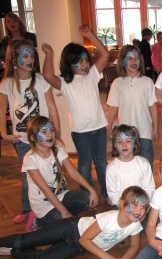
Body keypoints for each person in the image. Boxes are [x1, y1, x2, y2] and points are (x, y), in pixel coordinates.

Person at [0, 186, 149, 259]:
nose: (138, 210)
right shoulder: (109, 218)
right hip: (71, 228)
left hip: (79, 246)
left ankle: (13, 251)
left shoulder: (135, 226)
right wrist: (104, 255)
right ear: (122, 204)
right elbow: (85, 238)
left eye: (142, 207)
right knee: (26, 240)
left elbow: (135, 246)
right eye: (134, 205)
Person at [41, 25, 109, 202]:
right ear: (70, 64)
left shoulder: (93, 75)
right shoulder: (65, 83)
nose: (85, 64)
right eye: (80, 61)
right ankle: (87, 195)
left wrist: (89, 35)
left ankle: (108, 193)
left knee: (102, 164)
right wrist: (49, 55)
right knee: (85, 165)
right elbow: (48, 75)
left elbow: (105, 55)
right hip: (81, 132)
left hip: (100, 128)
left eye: (86, 60)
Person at [0, 40, 60, 228]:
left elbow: (52, 108)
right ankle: (28, 209)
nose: (30, 59)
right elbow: (2, 109)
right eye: (24, 55)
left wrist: (56, 134)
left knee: (45, 172)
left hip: (43, 138)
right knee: (29, 175)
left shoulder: (41, 80)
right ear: (14, 60)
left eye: (31, 55)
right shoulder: (7, 83)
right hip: (23, 139)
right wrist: (4, 133)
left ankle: (44, 207)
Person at [22, 116, 99, 231]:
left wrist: (92, 191)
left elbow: (73, 173)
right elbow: (45, 190)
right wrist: (64, 212)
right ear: (33, 137)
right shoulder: (30, 159)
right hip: (44, 206)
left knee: (88, 199)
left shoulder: (58, 149)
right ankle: (39, 221)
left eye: (51, 130)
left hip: (61, 195)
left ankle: (62, 217)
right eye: (44, 132)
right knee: (69, 226)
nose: (50, 135)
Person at [106, 45, 158, 166]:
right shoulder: (117, 83)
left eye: (136, 58)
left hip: (144, 131)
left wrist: (155, 128)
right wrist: (109, 127)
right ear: (122, 62)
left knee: (146, 162)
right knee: (128, 163)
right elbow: (113, 106)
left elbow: (152, 107)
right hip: (125, 133)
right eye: (129, 58)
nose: (134, 61)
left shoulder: (147, 82)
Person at [106, 124, 155, 208]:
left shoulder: (143, 163)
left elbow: (150, 187)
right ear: (115, 144)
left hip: (142, 204)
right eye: (120, 142)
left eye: (128, 141)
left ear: (135, 143)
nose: (124, 145)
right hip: (122, 206)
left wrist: (140, 204)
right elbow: (113, 194)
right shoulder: (111, 168)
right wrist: (127, 206)